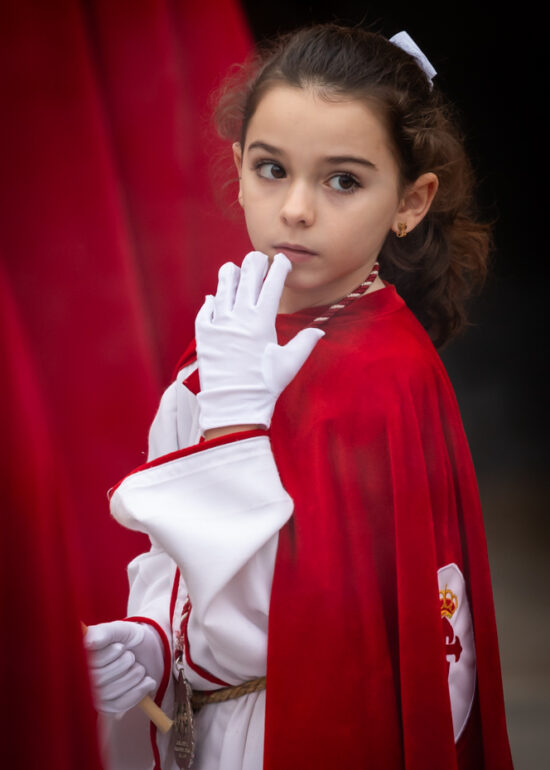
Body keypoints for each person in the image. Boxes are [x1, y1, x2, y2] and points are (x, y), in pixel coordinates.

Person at [84, 24, 514, 770]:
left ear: (410, 202)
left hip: (298, 734)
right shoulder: (231, 329)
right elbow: (171, 554)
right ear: (238, 170)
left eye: (343, 180)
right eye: (272, 168)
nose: (296, 210)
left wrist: (238, 422)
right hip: (211, 725)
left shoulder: (383, 376)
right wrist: (154, 634)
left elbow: (285, 627)